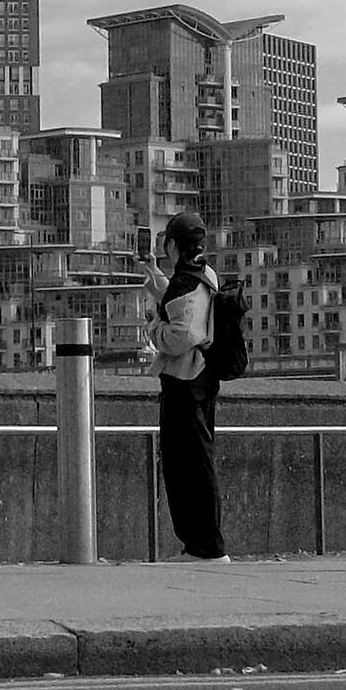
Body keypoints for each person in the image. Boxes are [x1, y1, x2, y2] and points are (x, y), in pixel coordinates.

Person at [145, 208, 229, 562]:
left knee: (187, 466)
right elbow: (185, 306)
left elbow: (181, 333)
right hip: (204, 378)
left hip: (184, 381)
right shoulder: (204, 274)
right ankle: (201, 545)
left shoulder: (186, 283)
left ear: (175, 246)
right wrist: (155, 279)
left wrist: (153, 329)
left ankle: (206, 547)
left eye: (167, 243)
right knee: (196, 461)